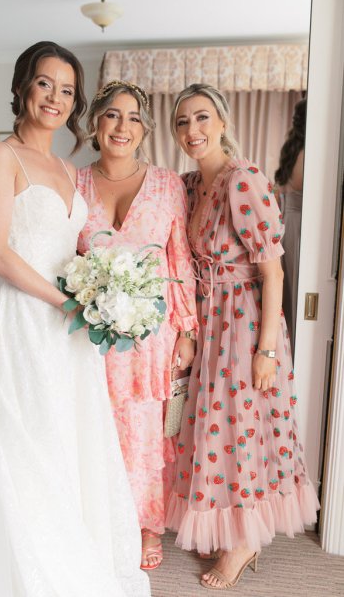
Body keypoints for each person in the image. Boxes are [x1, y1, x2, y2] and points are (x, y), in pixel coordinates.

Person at [0, 42, 150, 597]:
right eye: (45, 84)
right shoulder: (0, 156)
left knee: (64, 437)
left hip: (65, 330)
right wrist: (67, 301)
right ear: (22, 87)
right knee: (22, 438)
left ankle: (72, 540)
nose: (55, 98)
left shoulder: (70, 169)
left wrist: (105, 289)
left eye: (67, 90)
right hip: (22, 319)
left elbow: (70, 249)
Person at [165, 84, 320, 590]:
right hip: (208, 321)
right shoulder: (189, 185)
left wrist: (268, 349)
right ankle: (231, 526)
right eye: (183, 121)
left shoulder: (242, 179)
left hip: (245, 322)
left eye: (203, 118)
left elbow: (273, 272)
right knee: (216, 433)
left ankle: (246, 541)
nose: (193, 130)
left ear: (224, 122)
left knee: (245, 430)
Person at [77, 80, 198, 570]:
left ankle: (148, 525)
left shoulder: (168, 183)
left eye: (132, 118)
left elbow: (180, 257)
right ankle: (104, 518)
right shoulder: (75, 182)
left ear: (145, 129)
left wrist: (188, 329)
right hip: (92, 333)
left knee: (149, 432)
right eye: (111, 115)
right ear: (95, 124)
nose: (121, 127)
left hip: (153, 333)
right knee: (99, 428)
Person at [274, 98, 307, 355]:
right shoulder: (307, 154)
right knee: (296, 292)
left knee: (290, 293)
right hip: (298, 227)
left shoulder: (291, 149)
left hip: (287, 223)